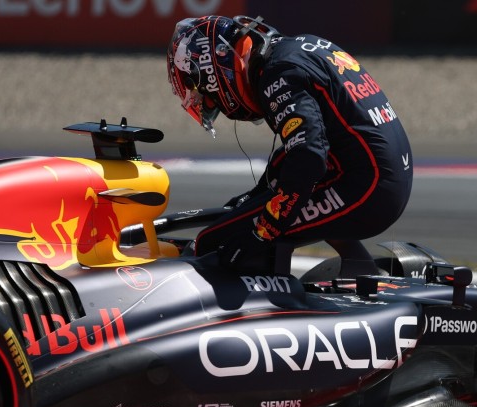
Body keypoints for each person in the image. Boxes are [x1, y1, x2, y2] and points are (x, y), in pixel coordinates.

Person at [166, 15, 413, 274]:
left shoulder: (278, 74)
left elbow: (308, 157)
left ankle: (268, 295)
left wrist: (263, 230)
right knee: (259, 195)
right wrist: (257, 197)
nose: (211, 103)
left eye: (207, 96)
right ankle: (356, 270)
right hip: (383, 174)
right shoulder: (296, 48)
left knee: (216, 240)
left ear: (213, 71)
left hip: (368, 189)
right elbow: (309, 146)